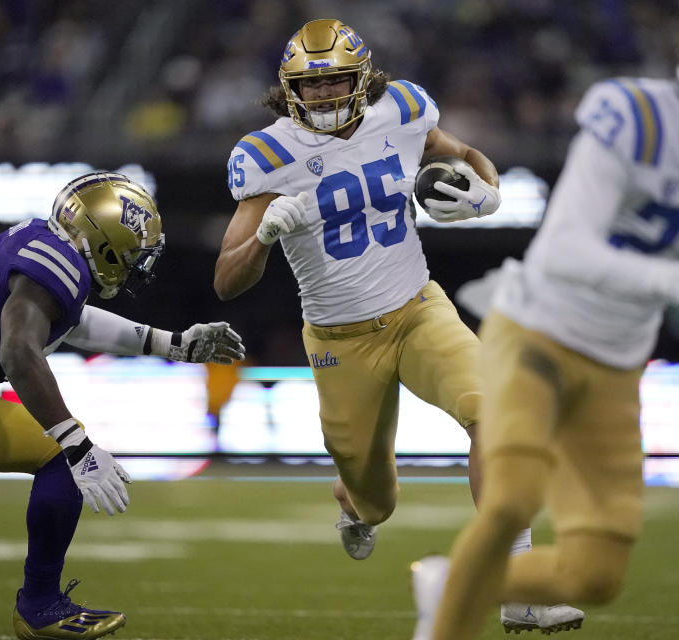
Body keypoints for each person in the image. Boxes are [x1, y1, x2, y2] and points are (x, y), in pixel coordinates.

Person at [410, 2, 679, 639]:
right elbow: (565, 248)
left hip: (617, 365)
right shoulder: (639, 119)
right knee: (512, 499)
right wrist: (672, 279)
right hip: (536, 333)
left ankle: (448, 582)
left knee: (595, 575)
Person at [213, 19, 582, 633]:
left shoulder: (402, 109)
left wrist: (488, 192)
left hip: (418, 310)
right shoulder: (268, 154)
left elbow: (462, 154)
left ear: (363, 80)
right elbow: (227, 280)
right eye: (312, 84)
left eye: (337, 81)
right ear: (289, 88)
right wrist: (266, 234)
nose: (326, 95)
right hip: (339, 342)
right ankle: (351, 498)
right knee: (375, 500)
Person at [0, 172, 245, 640]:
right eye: (135, 249)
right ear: (107, 241)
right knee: (61, 458)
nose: (139, 262)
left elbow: (68, 320)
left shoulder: (42, 243)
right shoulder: (57, 265)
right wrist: (74, 442)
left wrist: (170, 343)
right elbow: (18, 351)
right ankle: (39, 605)